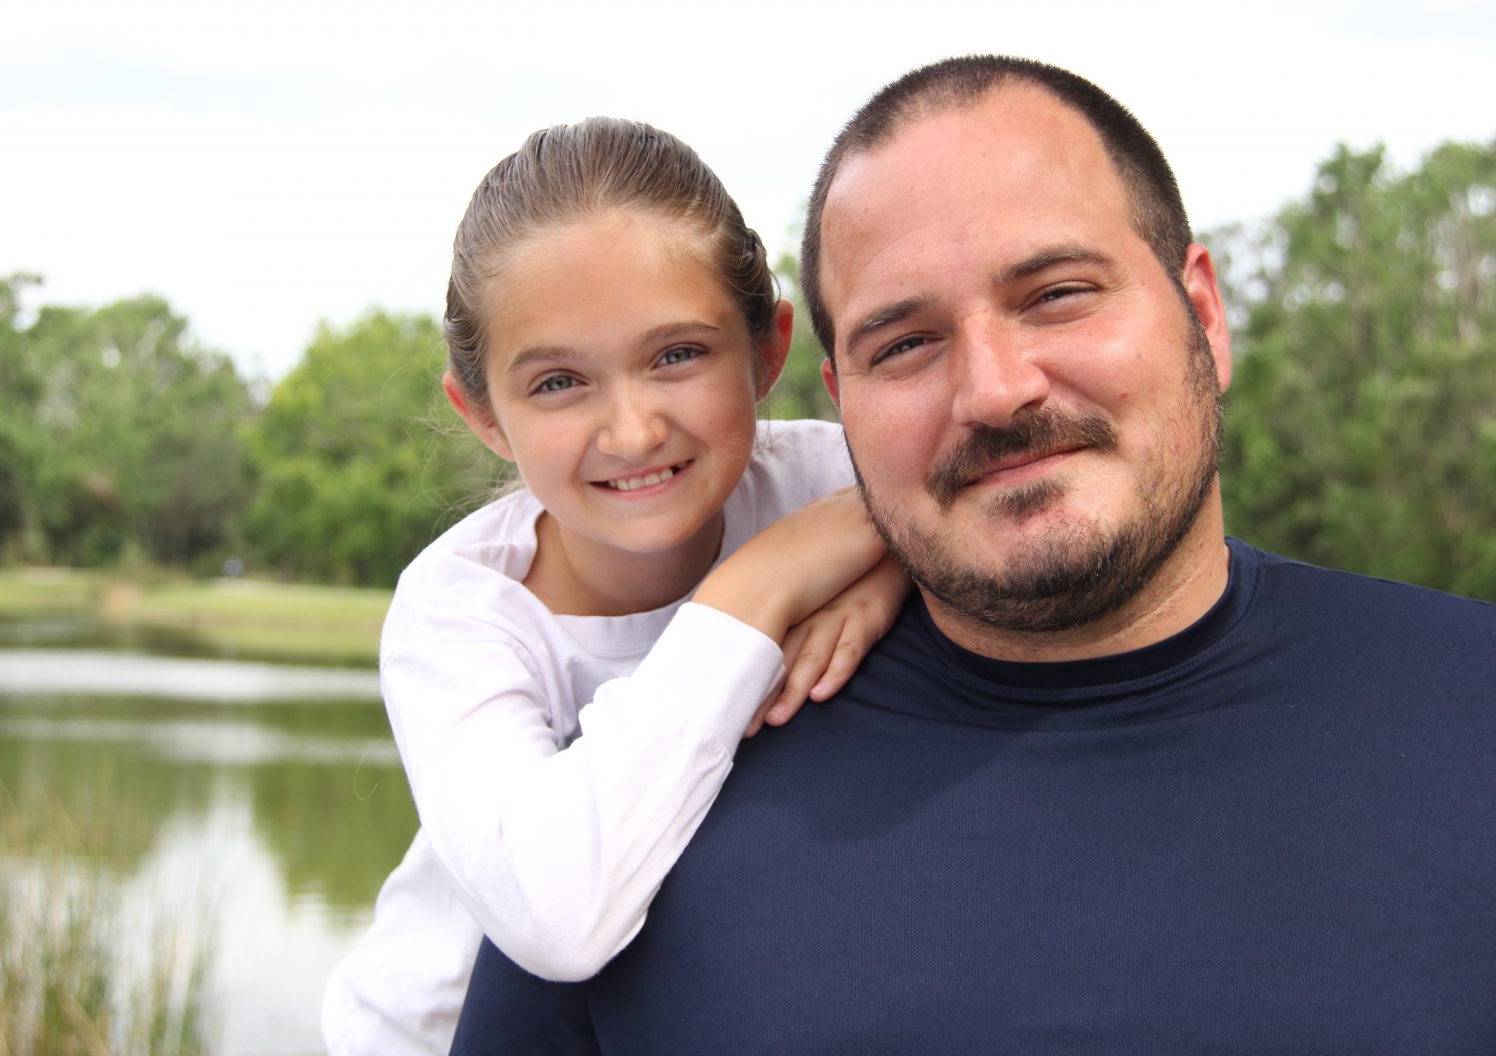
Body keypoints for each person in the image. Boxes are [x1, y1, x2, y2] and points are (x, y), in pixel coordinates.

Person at [451, 56, 1496, 1055]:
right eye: (904, 344)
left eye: (1057, 293)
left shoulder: (1469, 708)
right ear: (836, 401)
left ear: (1204, 315)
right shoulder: (634, 797)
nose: (996, 390)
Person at [320, 117, 911, 1055]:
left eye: (677, 355)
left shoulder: (838, 485)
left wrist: (888, 577)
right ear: (481, 414)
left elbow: (973, 508)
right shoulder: (461, 611)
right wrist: (758, 587)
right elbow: (559, 920)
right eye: (558, 382)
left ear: (767, 352)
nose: (632, 431)